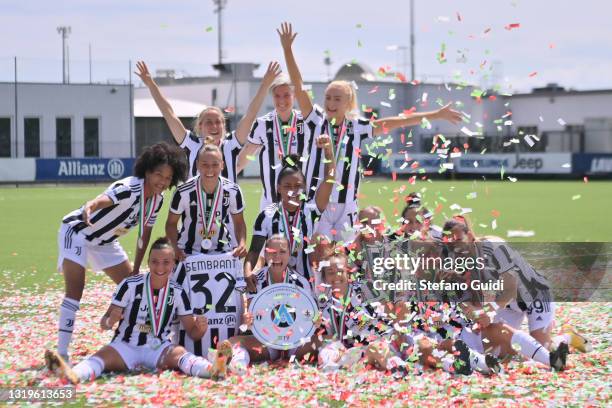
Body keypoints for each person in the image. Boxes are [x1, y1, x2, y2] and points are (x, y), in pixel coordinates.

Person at [277, 22, 462, 242]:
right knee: (317, 252)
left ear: (348, 102)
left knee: (344, 258)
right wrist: (287, 49)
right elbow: (298, 87)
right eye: (328, 97)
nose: (331, 102)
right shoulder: (315, 120)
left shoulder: (358, 127)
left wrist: (435, 115)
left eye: (337, 98)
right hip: (318, 201)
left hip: (347, 205)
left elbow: (398, 121)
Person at [56, 142, 187, 363]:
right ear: (147, 171)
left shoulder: (157, 200)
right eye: (158, 175)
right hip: (78, 232)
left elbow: (144, 236)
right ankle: (61, 353)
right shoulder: (130, 187)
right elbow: (104, 200)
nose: (162, 182)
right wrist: (91, 205)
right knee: (75, 290)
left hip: (105, 242)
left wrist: (136, 270)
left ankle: (128, 335)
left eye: (167, 178)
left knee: (136, 288)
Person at [45, 238, 233, 383]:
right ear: (149, 262)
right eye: (155, 262)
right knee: (101, 357)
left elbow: (193, 333)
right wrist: (111, 320)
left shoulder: (177, 291)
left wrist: (200, 328)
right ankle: (73, 374)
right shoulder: (129, 285)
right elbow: (104, 323)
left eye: (166, 262)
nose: (160, 267)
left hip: (158, 347)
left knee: (179, 353)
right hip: (126, 346)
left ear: (173, 264)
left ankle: (213, 369)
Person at [135, 60, 282, 181]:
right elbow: (168, 113)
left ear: (224, 125)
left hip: (226, 214)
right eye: (209, 122)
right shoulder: (191, 143)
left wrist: (265, 84)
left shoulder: (231, 144)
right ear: (200, 126)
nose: (214, 126)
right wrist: (150, 84)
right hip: (195, 213)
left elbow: (250, 115)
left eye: (218, 122)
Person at [244, 135, 335, 288]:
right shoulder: (266, 215)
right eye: (287, 186)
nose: (293, 191)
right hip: (272, 283)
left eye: (298, 186)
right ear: (278, 188)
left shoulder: (311, 210)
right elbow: (253, 251)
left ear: (305, 187)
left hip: (305, 284)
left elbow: (329, 179)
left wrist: (328, 152)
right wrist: (247, 272)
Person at [228, 235, 312, 370]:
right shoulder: (255, 281)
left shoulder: (301, 283)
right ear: (265, 254)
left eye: (282, 252)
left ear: (290, 254)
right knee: (233, 342)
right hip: (266, 343)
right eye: (272, 252)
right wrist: (247, 322)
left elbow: (307, 317)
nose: (277, 257)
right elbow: (250, 322)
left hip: (295, 343)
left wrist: (314, 320)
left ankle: (330, 361)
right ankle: (239, 366)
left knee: (329, 340)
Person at [237, 74, 312, 210]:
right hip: (271, 204)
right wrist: (227, 175)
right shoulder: (262, 124)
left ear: (294, 95)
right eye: (277, 96)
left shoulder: (306, 122)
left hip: (302, 203)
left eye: (286, 95)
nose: (281, 100)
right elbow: (246, 155)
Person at [166, 143, 247, 260]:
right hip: (187, 252)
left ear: (222, 165)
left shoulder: (233, 191)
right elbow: (171, 223)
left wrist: (242, 243)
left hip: (222, 251)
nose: (210, 169)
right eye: (205, 164)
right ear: (197, 165)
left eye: (215, 164)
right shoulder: (183, 191)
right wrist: (175, 247)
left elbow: (239, 222)